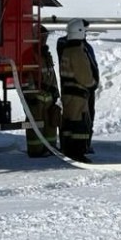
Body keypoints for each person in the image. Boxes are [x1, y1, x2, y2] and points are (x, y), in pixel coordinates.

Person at [57, 18, 99, 161]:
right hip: (78, 95)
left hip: (69, 94)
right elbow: (84, 76)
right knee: (79, 125)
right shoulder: (78, 52)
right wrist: (92, 84)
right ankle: (78, 152)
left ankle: (68, 149)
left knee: (69, 124)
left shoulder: (66, 49)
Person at [23, 27, 61, 158]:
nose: (45, 40)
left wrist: (55, 91)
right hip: (36, 98)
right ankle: (35, 150)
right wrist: (31, 95)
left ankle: (50, 148)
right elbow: (27, 76)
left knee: (50, 122)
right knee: (35, 124)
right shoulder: (30, 55)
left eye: (46, 37)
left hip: (48, 97)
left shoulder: (45, 54)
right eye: (42, 37)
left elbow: (51, 74)